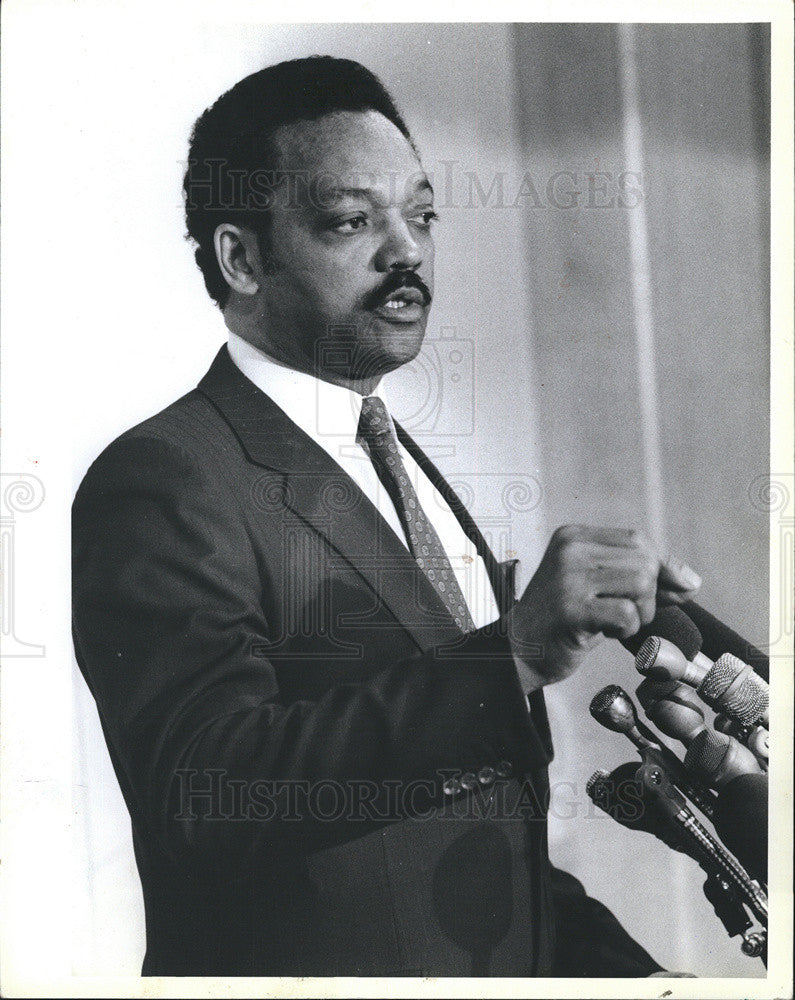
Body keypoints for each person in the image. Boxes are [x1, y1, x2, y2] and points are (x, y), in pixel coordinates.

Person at [72, 55, 702, 977]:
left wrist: (638, 980)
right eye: (350, 221)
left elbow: (483, 833)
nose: (405, 250)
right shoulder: (163, 477)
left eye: (422, 213)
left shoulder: (401, 463)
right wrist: (513, 653)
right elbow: (208, 794)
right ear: (240, 258)